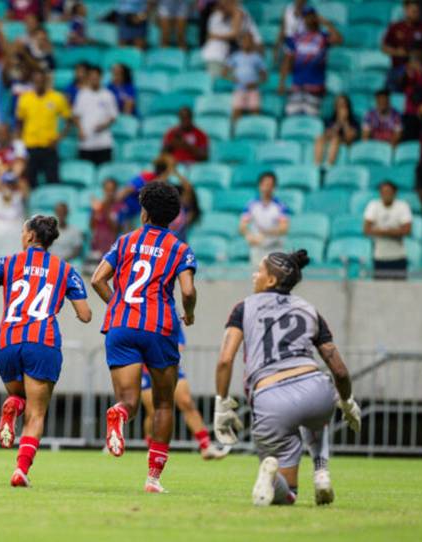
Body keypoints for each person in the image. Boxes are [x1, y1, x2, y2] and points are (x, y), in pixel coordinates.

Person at [212, 249, 360, 506]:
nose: (254, 275)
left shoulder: (244, 307)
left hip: (271, 399)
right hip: (316, 390)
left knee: (287, 494)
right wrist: (347, 402)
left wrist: (221, 404)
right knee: (317, 419)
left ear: (270, 281)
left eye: (259, 270)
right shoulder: (309, 309)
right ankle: (321, 471)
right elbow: (339, 370)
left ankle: (271, 475)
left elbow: (225, 360)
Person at [90, 181, 197, 494]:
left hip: (121, 325)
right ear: (174, 216)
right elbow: (188, 290)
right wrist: (189, 314)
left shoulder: (125, 241)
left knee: (129, 401)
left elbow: (98, 279)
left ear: (145, 211)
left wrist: (121, 308)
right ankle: (153, 479)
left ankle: (119, 413)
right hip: (160, 328)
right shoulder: (180, 248)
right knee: (164, 404)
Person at [0, 215, 91, 487]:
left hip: (7, 340)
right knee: (36, 414)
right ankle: (21, 471)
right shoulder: (65, 269)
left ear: (29, 236)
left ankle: (12, 405)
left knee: (19, 396)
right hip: (42, 341)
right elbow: (84, 315)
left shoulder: (9, 261)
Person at [140, 329, 228, 460]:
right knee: (153, 411)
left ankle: (206, 446)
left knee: (186, 402)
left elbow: (179, 337)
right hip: (145, 365)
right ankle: (152, 445)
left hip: (168, 361)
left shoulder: (171, 310)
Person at [279, 6, 342, 117]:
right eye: (306, 17)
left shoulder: (323, 37)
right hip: (297, 85)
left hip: (315, 87)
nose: (309, 19)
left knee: (311, 120)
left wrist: (326, 23)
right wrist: (282, 82)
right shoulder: (296, 38)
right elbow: (287, 60)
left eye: (312, 16)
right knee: (292, 118)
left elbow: (339, 39)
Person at [16, 69, 71, 186]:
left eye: (41, 80)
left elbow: (68, 121)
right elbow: (19, 122)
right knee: (30, 181)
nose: (39, 83)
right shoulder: (24, 98)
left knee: (53, 180)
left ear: (46, 81)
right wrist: (20, 140)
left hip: (49, 145)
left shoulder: (57, 98)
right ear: (32, 82)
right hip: (30, 146)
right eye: (36, 81)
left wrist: (58, 138)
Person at [364, 181, 413, 280]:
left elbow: (407, 230)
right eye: (383, 192)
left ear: (394, 193)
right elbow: (367, 229)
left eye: (389, 192)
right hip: (380, 257)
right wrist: (394, 231)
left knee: (401, 291)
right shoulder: (373, 205)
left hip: (398, 256)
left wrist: (381, 231)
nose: (386, 195)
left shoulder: (402, 206)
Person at [240, 171, 290, 265]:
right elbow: (242, 226)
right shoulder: (251, 205)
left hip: (275, 247)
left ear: (274, 187)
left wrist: (265, 232)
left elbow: (284, 228)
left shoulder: (280, 206)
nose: (267, 188)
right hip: (258, 248)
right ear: (259, 186)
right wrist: (249, 235)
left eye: (270, 185)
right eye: (265, 184)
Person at [73, 65, 118, 166]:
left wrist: (104, 125)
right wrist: (80, 130)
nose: (94, 79)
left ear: (101, 77)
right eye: (92, 77)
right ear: (88, 78)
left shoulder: (108, 95)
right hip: (86, 143)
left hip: (104, 143)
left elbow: (113, 117)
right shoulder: (82, 95)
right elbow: (76, 116)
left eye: (96, 77)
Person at [0, 166, 30, 259]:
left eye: (11, 183)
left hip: (14, 237)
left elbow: (25, 191)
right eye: (6, 183)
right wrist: (0, 174)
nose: (8, 186)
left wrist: (16, 175)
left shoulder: (18, 195)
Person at [223, 31, 266, 125]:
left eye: (249, 41)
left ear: (252, 42)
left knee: (255, 114)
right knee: (236, 113)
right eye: (245, 41)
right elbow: (224, 73)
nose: (247, 43)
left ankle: (254, 133)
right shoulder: (235, 56)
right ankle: (234, 134)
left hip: (253, 90)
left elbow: (264, 77)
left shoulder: (257, 57)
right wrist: (232, 78)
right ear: (241, 43)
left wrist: (256, 83)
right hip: (239, 89)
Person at [381, 0, 422, 88]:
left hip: (417, 68)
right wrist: (396, 52)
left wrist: (418, 57)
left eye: (417, 11)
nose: (416, 14)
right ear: (406, 10)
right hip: (397, 68)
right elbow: (384, 47)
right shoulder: (396, 27)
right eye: (413, 11)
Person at [314, 94, 358, 167]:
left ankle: (328, 165)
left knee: (336, 139)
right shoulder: (330, 120)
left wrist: (345, 122)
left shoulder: (353, 122)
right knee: (319, 138)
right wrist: (338, 123)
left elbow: (350, 138)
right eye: (339, 105)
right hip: (332, 138)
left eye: (343, 105)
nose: (341, 108)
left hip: (345, 142)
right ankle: (317, 165)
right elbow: (327, 135)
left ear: (348, 107)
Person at [90, 178, 124, 260]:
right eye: (107, 190)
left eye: (112, 190)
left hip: (112, 248)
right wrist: (94, 212)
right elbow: (92, 226)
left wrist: (105, 207)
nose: (109, 193)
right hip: (97, 247)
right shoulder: (98, 206)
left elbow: (115, 229)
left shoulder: (120, 207)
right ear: (103, 190)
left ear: (116, 190)